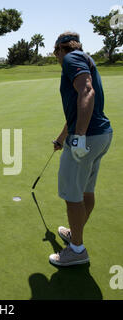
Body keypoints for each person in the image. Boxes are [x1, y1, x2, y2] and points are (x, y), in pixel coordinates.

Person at [50, 32, 113, 267]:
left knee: (72, 196)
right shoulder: (85, 58)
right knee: (87, 190)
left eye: (55, 52)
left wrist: (78, 137)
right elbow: (78, 109)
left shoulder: (71, 59)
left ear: (59, 49)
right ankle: (75, 234)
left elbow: (87, 92)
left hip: (87, 137)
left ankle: (77, 250)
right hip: (101, 136)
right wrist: (61, 139)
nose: (56, 57)